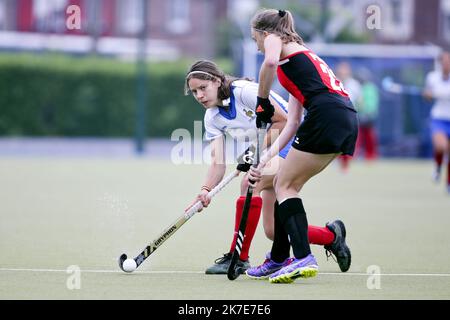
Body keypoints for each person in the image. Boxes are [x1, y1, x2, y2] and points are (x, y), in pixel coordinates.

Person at [184, 60, 352, 275]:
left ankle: (238, 258)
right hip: (267, 153)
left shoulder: (244, 92)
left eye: (203, 88)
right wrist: (205, 191)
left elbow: (283, 122)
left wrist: (254, 151)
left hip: (293, 138)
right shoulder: (212, 118)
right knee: (273, 231)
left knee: (249, 182)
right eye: (194, 92)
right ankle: (331, 236)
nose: (199, 95)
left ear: (217, 81)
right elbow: (218, 162)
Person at [246, 8, 358, 283]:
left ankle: (303, 257)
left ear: (264, 32)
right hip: (342, 117)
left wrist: (262, 101)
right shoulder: (299, 60)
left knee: (284, 185)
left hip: (327, 115)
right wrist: (264, 161)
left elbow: (269, 62)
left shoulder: (276, 41)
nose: (257, 46)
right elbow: (293, 121)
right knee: (287, 186)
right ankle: (278, 257)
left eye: (255, 39)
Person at [423, 51, 450, 194]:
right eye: (444, 61)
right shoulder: (432, 77)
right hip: (439, 118)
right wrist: (427, 94)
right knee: (441, 146)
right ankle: (438, 167)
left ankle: (448, 184)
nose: (447, 64)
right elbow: (427, 95)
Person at [335, 61, 362, 172]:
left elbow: (360, 100)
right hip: (336, 116)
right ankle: (336, 160)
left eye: (345, 69)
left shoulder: (354, 84)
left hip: (350, 115)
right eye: (341, 69)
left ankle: (345, 163)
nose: (343, 72)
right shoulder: (334, 81)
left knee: (348, 141)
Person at [355, 67, 379, 161]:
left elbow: (372, 103)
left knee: (370, 137)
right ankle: (355, 154)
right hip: (359, 115)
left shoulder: (371, 87)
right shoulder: (357, 86)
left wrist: (368, 112)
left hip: (369, 116)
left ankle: (371, 155)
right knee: (357, 137)